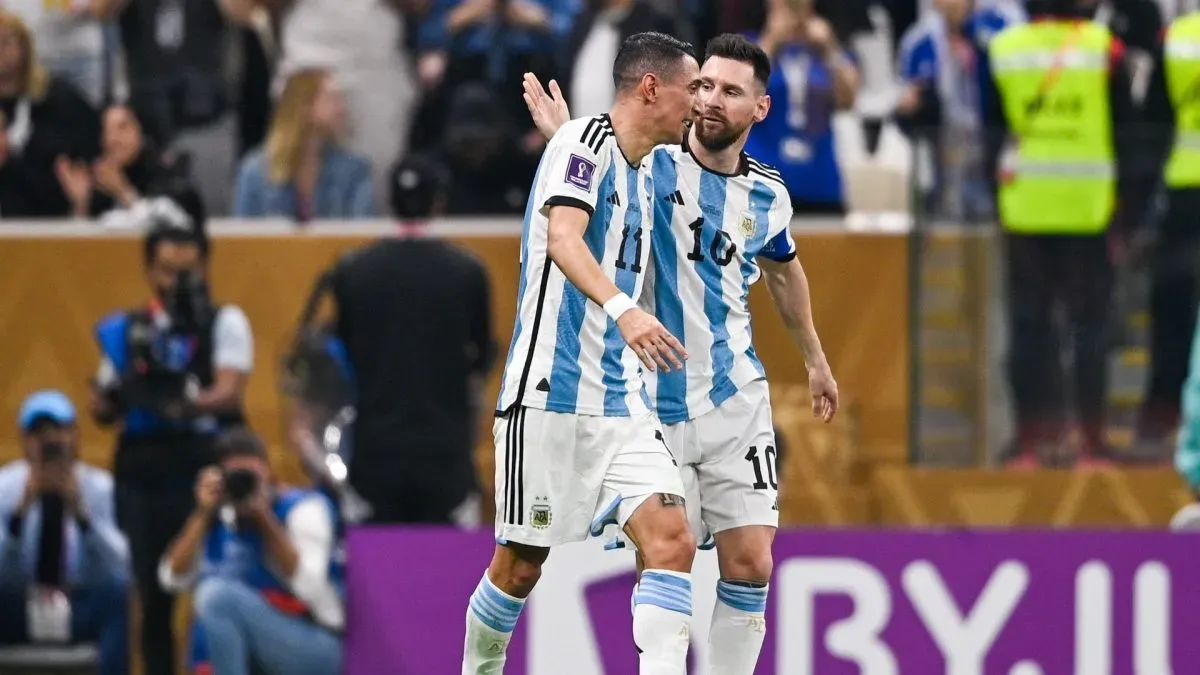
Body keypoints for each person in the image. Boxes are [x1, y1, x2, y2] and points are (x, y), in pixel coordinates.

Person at [523, 32, 839, 675]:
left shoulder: (768, 195)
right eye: (704, 85)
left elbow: (784, 271)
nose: (711, 101)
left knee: (752, 560)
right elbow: (599, 163)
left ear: (760, 108)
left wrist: (815, 358)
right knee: (665, 553)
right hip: (649, 399)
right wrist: (564, 137)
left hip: (733, 396)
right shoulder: (652, 160)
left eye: (731, 92)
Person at [461, 31, 702, 675]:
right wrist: (626, 310)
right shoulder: (582, 144)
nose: (700, 102)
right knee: (519, 567)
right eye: (693, 87)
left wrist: (562, 143)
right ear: (650, 87)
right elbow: (564, 238)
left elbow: (595, 167)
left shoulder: (639, 164)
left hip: (622, 402)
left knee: (672, 541)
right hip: (549, 395)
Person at [89, 217, 254, 675]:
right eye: (167, 270)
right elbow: (103, 406)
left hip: (204, 469)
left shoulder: (224, 321)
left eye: (190, 270)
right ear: (149, 271)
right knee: (153, 597)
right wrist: (115, 397)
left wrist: (182, 402)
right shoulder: (127, 331)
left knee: (216, 590)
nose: (179, 282)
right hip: (145, 477)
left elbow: (228, 392)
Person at [298, 153, 496, 526]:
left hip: (374, 460)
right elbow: (482, 359)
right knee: (446, 561)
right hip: (446, 462)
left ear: (389, 200)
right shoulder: (468, 272)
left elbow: (340, 358)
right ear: (439, 202)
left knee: (379, 560)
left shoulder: (354, 270)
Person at [986, 0, 1140, 466]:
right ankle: (1091, 441)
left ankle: (1032, 440)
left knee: (1028, 328)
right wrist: (1129, 215)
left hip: (1024, 212)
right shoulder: (1105, 49)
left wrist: (997, 200)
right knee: (1089, 329)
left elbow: (990, 137)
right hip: (1089, 212)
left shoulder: (1004, 49)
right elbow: (1129, 136)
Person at [159, 428, 342, 675]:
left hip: (311, 641)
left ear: (269, 472)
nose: (243, 485)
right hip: (247, 646)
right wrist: (202, 513)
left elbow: (309, 587)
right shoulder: (215, 518)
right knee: (211, 602)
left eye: (250, 476)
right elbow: (171, 579)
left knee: (215, 596)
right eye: (234, 477)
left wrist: (264, 517)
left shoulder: (303, 509)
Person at [0, 391, 129, 675]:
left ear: (74, 436)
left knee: (120, 592)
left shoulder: (100, 487)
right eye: (39, 434)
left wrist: (83, 516)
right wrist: (20, 514)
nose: (50, 441)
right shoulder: (5, 487)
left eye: (58, 431)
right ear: (24, 440)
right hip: (17, 606)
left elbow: (121, 567)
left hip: (78, 605)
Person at [1133, 8, 1200, 451]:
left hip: (1186, 192)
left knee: (1174, 309)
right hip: (1184, 194)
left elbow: (1151, 127)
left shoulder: (1179, 37)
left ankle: (1161, 415)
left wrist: (1139, 210)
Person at [233, 69, 377, 221]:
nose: (342, 108)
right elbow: (242, 232)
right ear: (305, 106)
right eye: (332, 99)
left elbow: (365, 231)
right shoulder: (255, 171)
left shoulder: (355, 170)